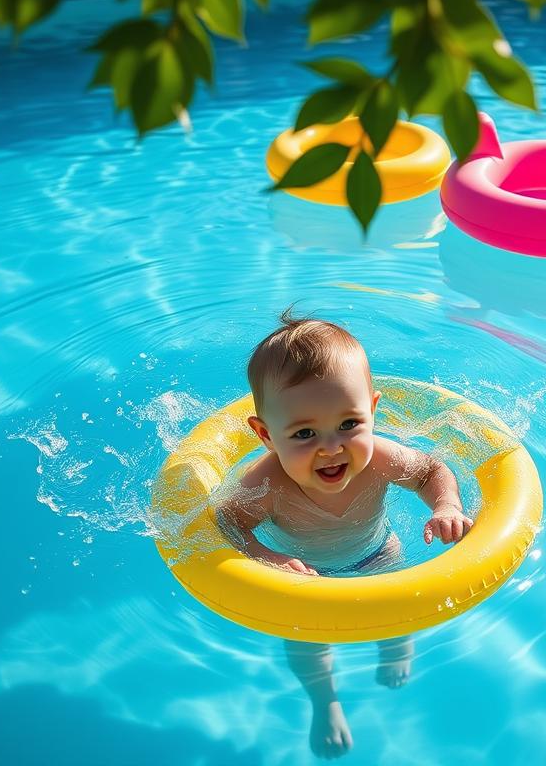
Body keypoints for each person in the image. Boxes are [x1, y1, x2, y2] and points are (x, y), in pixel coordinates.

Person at [219, 309, 474, 759]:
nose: (331, 446)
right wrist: (263, 556)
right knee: (304, 640)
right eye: (303, 433)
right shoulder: (266, 484)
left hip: (377, 554)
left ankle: (395, 651)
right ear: (265, 435)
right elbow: (228, 524)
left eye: (349, 424)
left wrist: (446, 505)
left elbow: (432, 470)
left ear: (372, 410)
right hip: (304, 576)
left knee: (397, 615)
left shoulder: (379, 458)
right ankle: (325, 700)